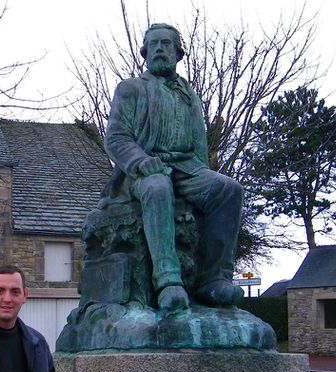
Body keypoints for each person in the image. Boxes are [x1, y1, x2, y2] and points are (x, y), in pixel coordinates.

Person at [104, 23, 245, 312]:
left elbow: (198, 144)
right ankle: (168, 281)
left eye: (165, 44)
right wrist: (141, 161)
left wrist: (205, 178)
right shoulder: (130, 89)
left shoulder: (189, 95)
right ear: (144, 52)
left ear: (178, 52)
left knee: (228, 190)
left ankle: (213, 280)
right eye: (153, 44)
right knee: (158, 188)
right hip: (142, 170)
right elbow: (116, 138)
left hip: (187, 168)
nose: (159, 49)